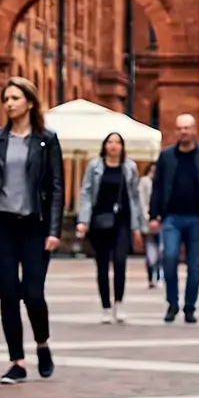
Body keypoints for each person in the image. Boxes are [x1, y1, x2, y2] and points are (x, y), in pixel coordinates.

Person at [0, 76, 64, 383]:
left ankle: (42, 343)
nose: (9, 104)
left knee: (33, 293)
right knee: (8, 292)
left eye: (15, 98)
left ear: (30, 103)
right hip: (2, 224)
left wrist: (54, 230)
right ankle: (17, 361)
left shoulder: (47, 140)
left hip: (35, 225)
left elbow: (56, 187)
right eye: (6, 99)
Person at [145, 113, 199, 324]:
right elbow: (158, 187)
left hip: (197, 217)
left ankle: (189, 307)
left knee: (194, 265)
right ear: (175, 131)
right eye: (180, 128)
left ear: (194, 130)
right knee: (169, 258)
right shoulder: (166, 157)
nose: (184, 132)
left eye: (187, 128)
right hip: (172, 217)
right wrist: (153, 215)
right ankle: (172, 302)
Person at [76, 132, 141, 324]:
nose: (113, 146)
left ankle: (118, 302)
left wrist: (137, 226)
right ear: (105, 145)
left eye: (117, 142)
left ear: (122, 146)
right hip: (99, 221)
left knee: (120, 261)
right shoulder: (94, 166)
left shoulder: (130, 167)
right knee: (102, 264)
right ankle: (105, 306)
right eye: (110, 142)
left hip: (122, 221)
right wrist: (83, 221)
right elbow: (86, 193)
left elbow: (135, 196)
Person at [138, 161, 160, 288]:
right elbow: (142, 201)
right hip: (148, 221)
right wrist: (148, 217)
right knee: (151, 251)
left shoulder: (163, 181)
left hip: (162, 221)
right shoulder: (144, 182)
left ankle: (159, 276)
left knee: (162, 251)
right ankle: (151, 277)